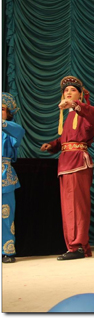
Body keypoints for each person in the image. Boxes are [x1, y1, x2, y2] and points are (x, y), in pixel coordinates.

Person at [41, 76, 94, 260]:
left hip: (78, 163)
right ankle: (72, 246)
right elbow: (66, 139)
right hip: (65, 163)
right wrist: (53, 145)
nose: (68, 92)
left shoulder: (85, 111)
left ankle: (79, 245)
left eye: (73, 90)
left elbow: (93, 115)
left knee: (78, 206)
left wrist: (75, 105)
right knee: (68, 207)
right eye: (66, 91)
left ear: (80, 95)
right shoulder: (69, 117)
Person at [2, 93, 25, 263]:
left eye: (2, 109)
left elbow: (19, 132)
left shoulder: (11, 130)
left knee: (5, 214)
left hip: (4, 176)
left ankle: (7, 250)